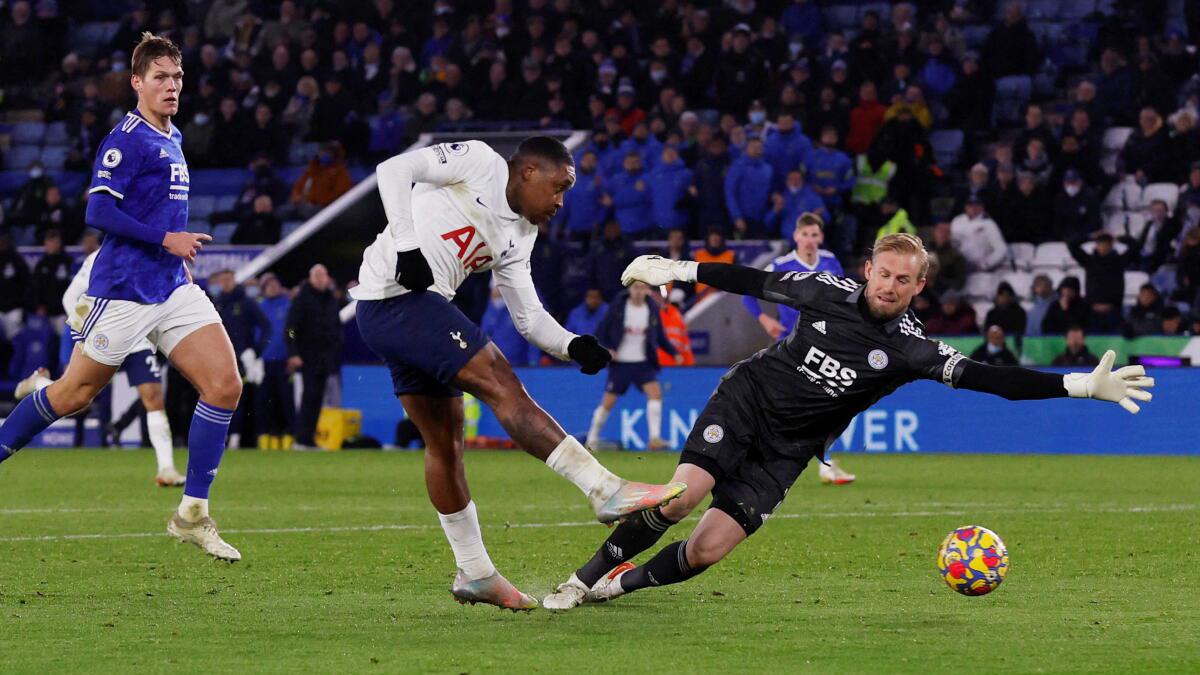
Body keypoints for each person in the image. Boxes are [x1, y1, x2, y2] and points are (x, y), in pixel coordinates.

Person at [543, 234, 1153, 610]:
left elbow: (993, 380)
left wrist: (1078, 385)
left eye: (903, 280)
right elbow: (752, 280)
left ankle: (618, 585)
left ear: (919, 288)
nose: (890, 286)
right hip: (747, 400)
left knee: (707, 550)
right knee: (681, 498)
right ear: (868, 271)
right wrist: (677, 270)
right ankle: (579, 580)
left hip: (787, 451)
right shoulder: (824, 291)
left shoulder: (916, 349)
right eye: (883, 274)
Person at [349, 136, 687, 610]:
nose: (560, 202)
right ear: (528, 172)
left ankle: (475, 571)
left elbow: (527, 317)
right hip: (395, 299)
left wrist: (572, 345)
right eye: (558, 187)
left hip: (401, 311)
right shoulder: (480, 162)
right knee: (501, 382)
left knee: (445, 445)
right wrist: (406, 247)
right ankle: (604, 488)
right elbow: (392, 169)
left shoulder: (520, 235)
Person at [0, 34, 243, 561]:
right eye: (160, 77)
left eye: (177, 77)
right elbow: (98, 214)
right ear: (137, 82)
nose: (171, 86)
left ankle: (192, 514)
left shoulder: (172, 136)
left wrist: (175, 252)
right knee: (72, 396)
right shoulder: (126, 139)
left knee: (224, 385)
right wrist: (166, 240)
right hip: (125, 288)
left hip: (172, 285)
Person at [14, 246, 185, 486]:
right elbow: (70, 298)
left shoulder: (152, 252)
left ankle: (166, 468)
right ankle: (40, 383)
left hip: (137, 339)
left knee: (153, 396)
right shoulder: (98, 257)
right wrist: (90, 328)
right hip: (105, 336)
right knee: (78, 400)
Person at [586, 281, 679, 451]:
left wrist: (674, 353)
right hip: (620, 363)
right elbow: (601, 332)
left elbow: (660, 336)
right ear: (629, 289)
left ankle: (654, 439)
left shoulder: (651, 309)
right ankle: (592, 440)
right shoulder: (618, 307)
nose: (638, 291)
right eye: (635, 287)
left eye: (642, 288)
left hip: (643, 363)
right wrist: (607, 350)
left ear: (647, 291)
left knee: (655, 394)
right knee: (608, 402)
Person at [211, 269, 270, 448]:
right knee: (218, 397)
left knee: (241, 398)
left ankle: (240, 437)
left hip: (242, 359)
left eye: (228, 279)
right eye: (223, 280)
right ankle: (224, 437)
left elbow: (266, 327)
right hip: (220, 358)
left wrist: (256, 351)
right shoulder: (216, 303)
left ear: (234, 280)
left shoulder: (246, 302)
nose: (225, 283)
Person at [286, 264, 343, 448]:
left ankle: (308, 438)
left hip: (326, 357)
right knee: (309, 396)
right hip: (307, 356)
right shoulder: (302, 298)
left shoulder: (331, 299)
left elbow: (337, 326)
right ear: (310, 278)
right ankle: (301, 438)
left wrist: (336, 347)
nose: (320, 279)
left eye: (323, 275)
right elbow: (290, 329)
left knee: (318, 398)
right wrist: (294, 353)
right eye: (316, 275)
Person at [254, 274, 294, 449]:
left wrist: (293, 352)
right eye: (269, 286)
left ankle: (288, 435)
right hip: (264, 361)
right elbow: (255, 332)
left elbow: (293, 330)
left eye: (276, 285)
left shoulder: (288, 305)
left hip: (284, 360)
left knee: (285, 399)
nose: (273, 288)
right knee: (265, 400)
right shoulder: (259, 307)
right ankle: (267, 435)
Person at [950, 196, 1008, 272]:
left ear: (982, 207)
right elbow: (952, 242)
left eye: (977, 205)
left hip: (979, 268)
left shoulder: (988, 224)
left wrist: (986, 264)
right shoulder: (957, 220)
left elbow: (1002, 249)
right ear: (965, 207)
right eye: (970, 205)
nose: (973, 208)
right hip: (959, 266)